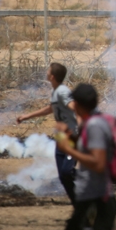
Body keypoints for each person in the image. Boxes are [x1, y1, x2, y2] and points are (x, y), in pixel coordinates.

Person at [56, 83, 116, 230]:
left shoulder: (95, 126)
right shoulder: (90, 122)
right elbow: (87, 148)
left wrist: (67, 149)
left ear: (77, 104)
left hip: (99, 201)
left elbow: (98, 163)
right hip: (89, 198)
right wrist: (68, 137)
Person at [17, 62, 79, 204]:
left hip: (70, 136)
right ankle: (79, 206)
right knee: (63, 177)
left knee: (67, 172)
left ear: (52, 76)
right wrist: (27, 116)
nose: (46, 73)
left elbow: (75, 107)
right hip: (60, 137)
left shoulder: (62, 91)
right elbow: (50, 109)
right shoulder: (55, 92)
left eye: (48, 71)